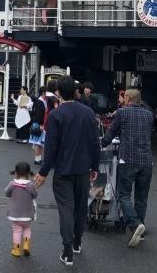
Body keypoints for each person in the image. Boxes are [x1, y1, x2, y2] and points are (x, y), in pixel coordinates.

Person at [34, 76, 99, 266]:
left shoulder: (56, 115)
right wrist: (94, 167)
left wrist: (44, 172)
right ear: (76, 91)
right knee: (80, 207)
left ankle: (67, 250)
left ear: (59, 92)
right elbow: (95, 142)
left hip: (63, 169)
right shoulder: (88, 112)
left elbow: (51, 146)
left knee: (66, 209)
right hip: (83, 168)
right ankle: (77, 242)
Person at [102, 88, 153, 248]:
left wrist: (99, 144)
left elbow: (110, 135)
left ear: (129, 98)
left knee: (123, 195)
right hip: (146, 161)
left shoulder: (122, 113)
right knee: (141, 198)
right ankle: (139, 232)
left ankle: (135, 224)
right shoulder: (149, 115)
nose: (122, 100)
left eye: (124, 97)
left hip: (128, 159)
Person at [5, 161, 38, 258]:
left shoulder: (12, 184)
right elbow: (35, 195)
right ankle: (26, 245)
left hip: (15, 214)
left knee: (16, 231)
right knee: (27, 228)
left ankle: (16, 250)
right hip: (27, 214)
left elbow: (7, 193)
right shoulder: (31, 185)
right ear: (29, 174)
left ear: (16, 173)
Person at [29, 87, 47, 165]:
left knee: (40, 142)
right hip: (39, 124)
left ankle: (39, 158)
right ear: (43, 93)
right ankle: (37, 159)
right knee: (37, 142)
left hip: (41, 123)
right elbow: (39, 114)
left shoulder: (42, 101)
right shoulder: (39, 102)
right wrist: (40, 124)